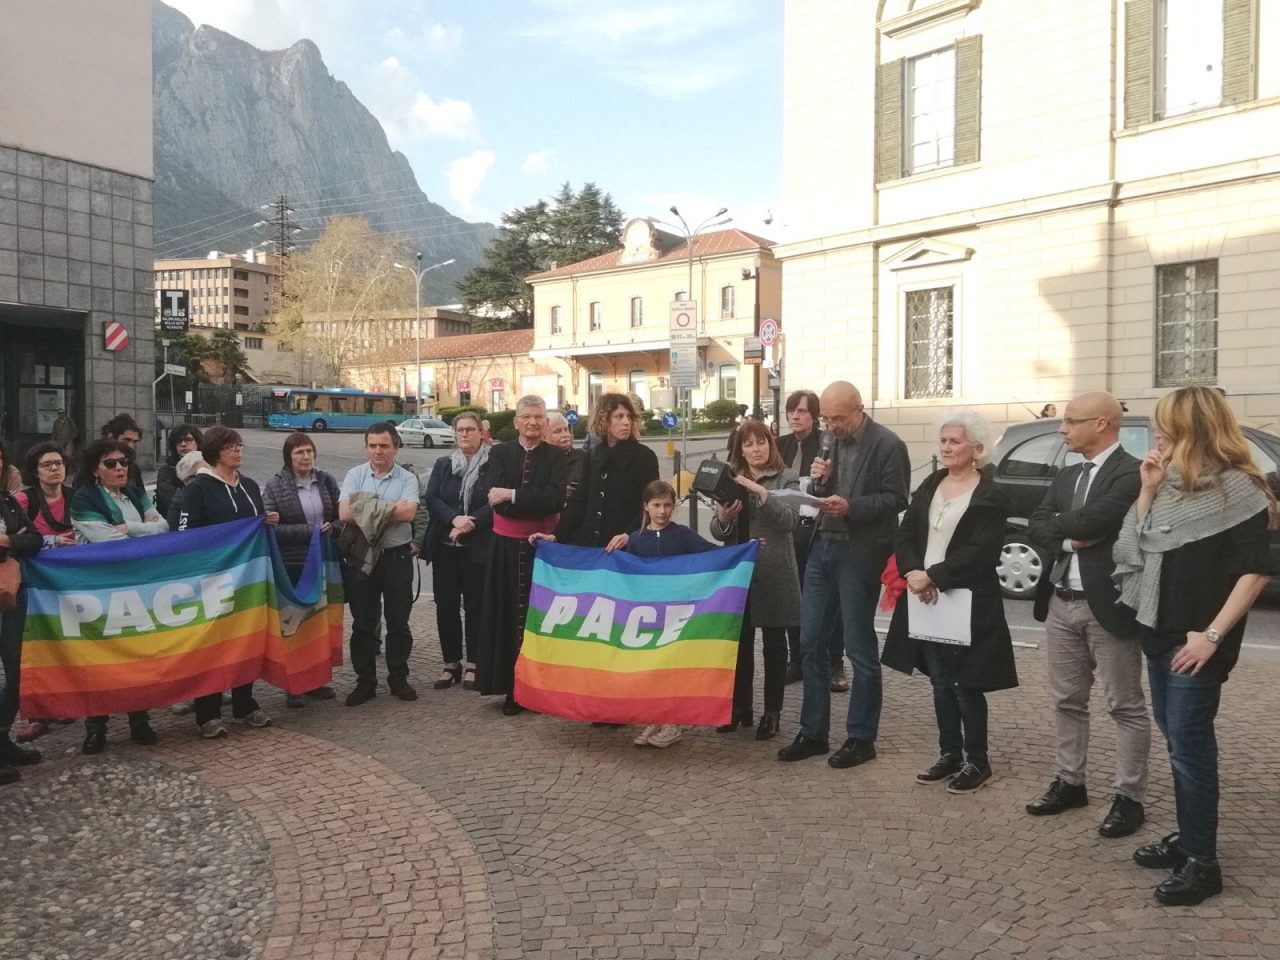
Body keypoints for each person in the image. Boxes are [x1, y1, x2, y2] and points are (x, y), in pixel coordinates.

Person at [1113, 386, 1276, 906]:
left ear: (1193, 428)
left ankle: (1203, 862)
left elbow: (1254, 573)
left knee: (1190, 751)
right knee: (1177, 742)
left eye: (1166, 426)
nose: (1157, 435)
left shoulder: (1242, 490)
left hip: (1199, 644)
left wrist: (1211, 636)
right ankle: (1188, 838)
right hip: (1159, 631)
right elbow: (1134, 545)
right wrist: (1146, 489)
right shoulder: (1170, 484)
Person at [1025, 391, 1149, 839]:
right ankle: (1070, 782)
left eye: (1071, 421)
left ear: (1101, 423)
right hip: (1061, 600)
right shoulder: (1067, 473)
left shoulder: (1131, 472)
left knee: (1125, 705)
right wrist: (1066, 538)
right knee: (1066, 700)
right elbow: (1037, 524)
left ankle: (1129, 797)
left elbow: (1096, 522)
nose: (1062, 429)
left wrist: (1069, 526)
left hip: (1110, 607)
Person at [881, 412, 1018, 793]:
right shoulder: (932, 483)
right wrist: (911, 572)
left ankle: (978, 760)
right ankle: (950, 752)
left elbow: (982, 550)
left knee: (965, 681)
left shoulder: (991, 494)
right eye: (943, 440)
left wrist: (935, 576)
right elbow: (906, 533)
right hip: (926, 597)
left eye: (954, 441)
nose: (946, 447)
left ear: (976, 448)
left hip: (967, 599)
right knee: (940, 680)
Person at [778, 381, 909, 766]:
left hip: (859, 551)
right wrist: (819, 482)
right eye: (826, 419)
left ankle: (861, 737)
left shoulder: (888, 444)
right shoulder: (828, 441)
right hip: (822, 547)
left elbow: (897, 498)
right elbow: (822, 490)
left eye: (838, 418)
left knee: (858, 647)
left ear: (859, 410)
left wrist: (850, 506)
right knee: (810, 642)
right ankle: (813, 731)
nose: (831, 426)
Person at [69, 439, 170, 753]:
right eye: (110, 463)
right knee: (100, 659)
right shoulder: (84, 499)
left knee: (137, 653)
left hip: (136, 586)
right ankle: (96, 726)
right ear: (95, 470)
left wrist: (131, 528)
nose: (119, 468)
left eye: (123, 462)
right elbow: (107, 540)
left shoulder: (135, 494)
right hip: (99, 589)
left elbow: (164, 526)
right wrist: (139, 529)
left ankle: (139, 720)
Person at [178, 426, 278, 737]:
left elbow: (254, 526)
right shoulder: (199, 489)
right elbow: (185, 535)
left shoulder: (248, 485)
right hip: (211, 580)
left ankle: (244, 703)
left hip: (245, 580)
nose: (238, 450)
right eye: (231, 446)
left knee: (244, 639)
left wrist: (267, 522)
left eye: (239, 445)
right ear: (215, 452)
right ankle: (207, 712)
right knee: (210, 645)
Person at [474, 396, 568, 714]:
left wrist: (513, 494)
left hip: (541, 549)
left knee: (540, 618)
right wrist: (525, 499)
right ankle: (512, 689)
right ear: (516, 422)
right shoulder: (500, 453)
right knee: (506, 616)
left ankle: (542, 689)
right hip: (504, 549)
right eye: (526, 417)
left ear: (545, 422)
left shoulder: (556, 456)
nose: (533, 422)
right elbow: (494, 499)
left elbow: (554, 499)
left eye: (539, 417)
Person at [710, 420, 801, 742]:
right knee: (740, 644)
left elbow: (791, 522)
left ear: (770, 444)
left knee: (776, 646)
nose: (755, 449)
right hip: (740, 573)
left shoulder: (788, 477)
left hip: (775, 572)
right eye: (748, 444)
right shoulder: (732, 479)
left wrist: (763, 494)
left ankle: (771, 713)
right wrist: (723, 518)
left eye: (760, 442)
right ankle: (739, 708)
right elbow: (718, 531)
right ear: (740, 449)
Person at [607, 480, 717, 747]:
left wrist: (744, 551)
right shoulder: (635, 539)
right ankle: (654, 718)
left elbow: (713, 555)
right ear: (646, 507)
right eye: (657, 505)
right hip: (647, 617)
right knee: (650, 669)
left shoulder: (683, 535)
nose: (663, 511)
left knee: (672, 670)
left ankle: (672, 723)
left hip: (677, 616)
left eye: (668, 505)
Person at [338, 422, 422, 707]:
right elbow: (345, 513)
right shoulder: (354, 475)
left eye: (384, 446)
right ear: (366, 447)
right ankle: (365, 682)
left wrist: (367, 506)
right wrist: (389, 508)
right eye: (372, 445)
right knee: (363, 624)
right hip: (362, 557)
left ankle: (398, 678)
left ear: (395, 448)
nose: (378, 451)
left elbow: (409, 512)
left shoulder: (408, 478)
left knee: (399, 623)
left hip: (397, 557)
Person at [262, 432, 342, 708]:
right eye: (299, 452)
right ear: (288, 457)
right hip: (293, 563)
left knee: (318, 623)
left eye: (309, 451)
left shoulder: (327, 480)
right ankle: (292, 684)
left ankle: (315, 680)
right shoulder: (274, 486)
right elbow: (272, 527)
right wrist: (310, 532)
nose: (306, 457)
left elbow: (340, 515)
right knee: (293, 623)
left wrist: (334, 529)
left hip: (324, 562)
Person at [776, 389, 845, 688]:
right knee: (793, 596)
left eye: (802, 411)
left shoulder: (828, 444)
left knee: (828, 601)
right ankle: (798, 660)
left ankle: (834, 663)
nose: (795, 416)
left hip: (821, 530)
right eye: (791, 410)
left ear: (815, 416)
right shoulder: (781, 445)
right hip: (791, 530)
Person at [8, 443, 77, 744]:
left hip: (65, 583)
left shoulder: (75, 497)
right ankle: (37, 714)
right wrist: (51, 543)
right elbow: (17, 540)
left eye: (58, 463)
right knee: (34, 648)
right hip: (30, 585)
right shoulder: (22, 500)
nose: (55, 468)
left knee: (63, 643)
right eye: (47, 464)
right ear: (34, 471)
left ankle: (62, 704)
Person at [421, 412, 492, 691]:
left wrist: (470, 522)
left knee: (475, 606)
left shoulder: (492, 464)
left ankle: (474, 661)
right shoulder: (443, 464)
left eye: (470, 430)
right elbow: (432, 498)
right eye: (460, 430)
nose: (465, 435)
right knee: (446, 607)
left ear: (481, 433)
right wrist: (454, 519)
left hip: (477, 548)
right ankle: (451, 662)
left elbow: (495, 501)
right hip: (446, 549)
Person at [551, 395, 659, 549]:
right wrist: (556, 535)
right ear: (604, 420)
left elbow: (652, 504)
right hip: (592, 546)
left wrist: (629, 534)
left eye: (629, 417)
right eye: (619, 416)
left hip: (626, 547)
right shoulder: (592, 455)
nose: (626, 422)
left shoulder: (644, 456)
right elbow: (580, 502)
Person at [0, 485, 43, 784]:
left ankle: (2, 740)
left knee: (17, 674)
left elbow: (34, 539)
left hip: (10, 595)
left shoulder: (7, 500)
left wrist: (5, 540)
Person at [154, 423, 203, 518]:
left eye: (188, 440)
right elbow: (171, 499)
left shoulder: (208, 467)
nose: (183, 444)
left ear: (198, 442)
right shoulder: (166, 471)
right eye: (179, 441)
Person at [99, 412, 145, 490]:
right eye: (126, 440)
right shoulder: (93, 467)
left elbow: (142, 497)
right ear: (111, 438)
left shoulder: (134, 468)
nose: (131, 446)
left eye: (135, 442)